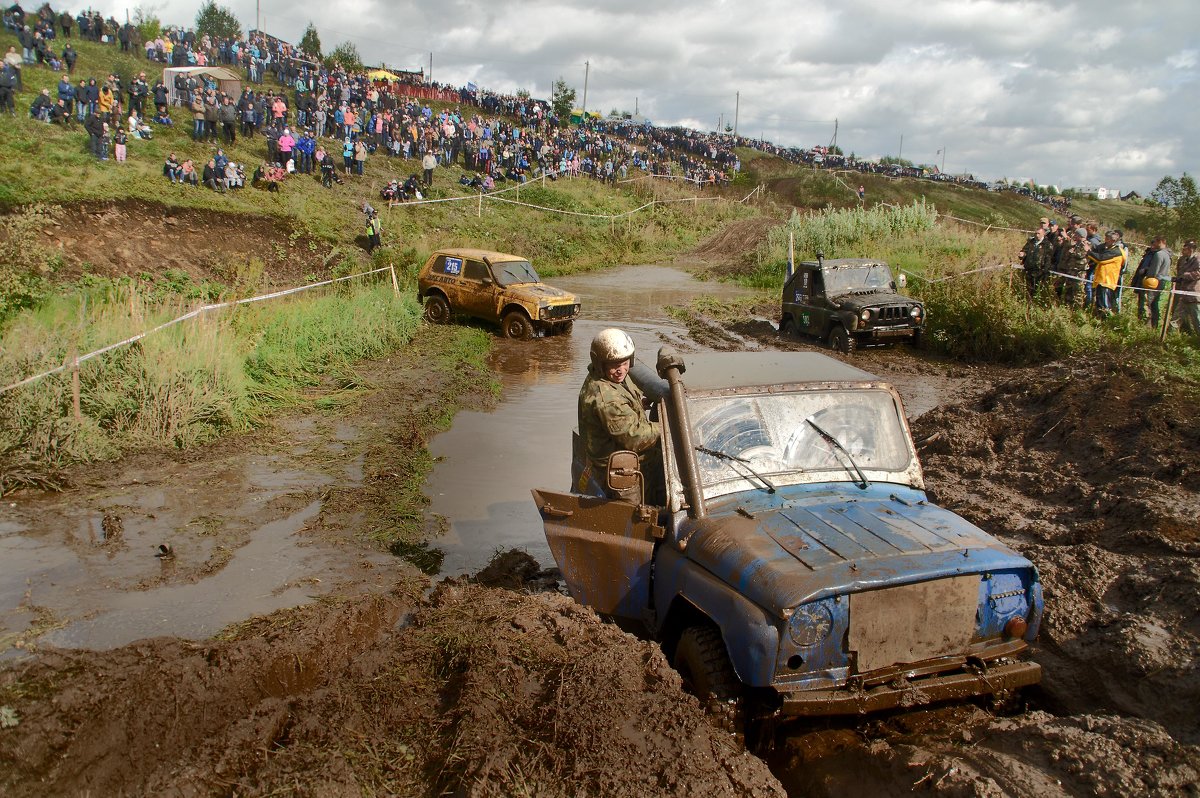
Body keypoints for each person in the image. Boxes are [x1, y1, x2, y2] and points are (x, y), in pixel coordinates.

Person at [576, 329, 661, 499]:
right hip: (621, 473)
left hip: (621, 458)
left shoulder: (607, 377)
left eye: (625, 363)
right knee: (636, 521)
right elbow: (635, 438)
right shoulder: (607, 399)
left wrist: (638, 405)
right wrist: (666, 427)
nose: (621, 370)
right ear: (601, 363)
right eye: (615, 365)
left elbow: (623, 400)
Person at [1087, 230, 1128, 317]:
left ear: (1113, 241)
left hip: (1107, 281)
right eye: (1105, 238)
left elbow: (1101, 259)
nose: (1105, 241)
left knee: (1105, 306)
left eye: (1108, 239)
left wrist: (1089, 252)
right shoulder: (1109, 249)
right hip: (1101, 280)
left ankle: (1107, 322)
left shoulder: (1117, 252)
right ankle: (1098, 321)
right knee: (1099, 304)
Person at [1134, 237, 1172, 328]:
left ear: (1160, 242)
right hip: (1159, 282)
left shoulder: (1159, 254)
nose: (1152, 244)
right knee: (1154, 304)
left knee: (1149, 305)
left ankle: (1148, 326)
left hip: (1152, 283)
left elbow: (1154, 272)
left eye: (1154, 242)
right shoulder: (1167, 254)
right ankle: (1154, 326)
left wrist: (1146, 272)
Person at [1018, 225, 1053, 297]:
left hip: (1039, 272)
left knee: (1036, 292)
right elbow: (1024, 250)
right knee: (1026, 290)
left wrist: (1044, 271)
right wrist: (1022, 254)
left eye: (1038, 233)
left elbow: (1048, 259)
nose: (1037, 235)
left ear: (1043, 234)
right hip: (1028, 270)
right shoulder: (1031, 242)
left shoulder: (1047, 244)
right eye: (1035, 233)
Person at [1174, 240, 1200, 337]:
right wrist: (1178, 279)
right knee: (1175, 319)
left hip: (1194, 296)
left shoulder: (1198, 259)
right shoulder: (1184, 259)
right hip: (1184, 294)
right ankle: (1165, 341)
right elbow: (1180, 273)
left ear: (1191, 249)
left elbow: (1198, 273)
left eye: (1184, 248)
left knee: (1197, 321)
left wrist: (1185, 275)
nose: (1182, 250)